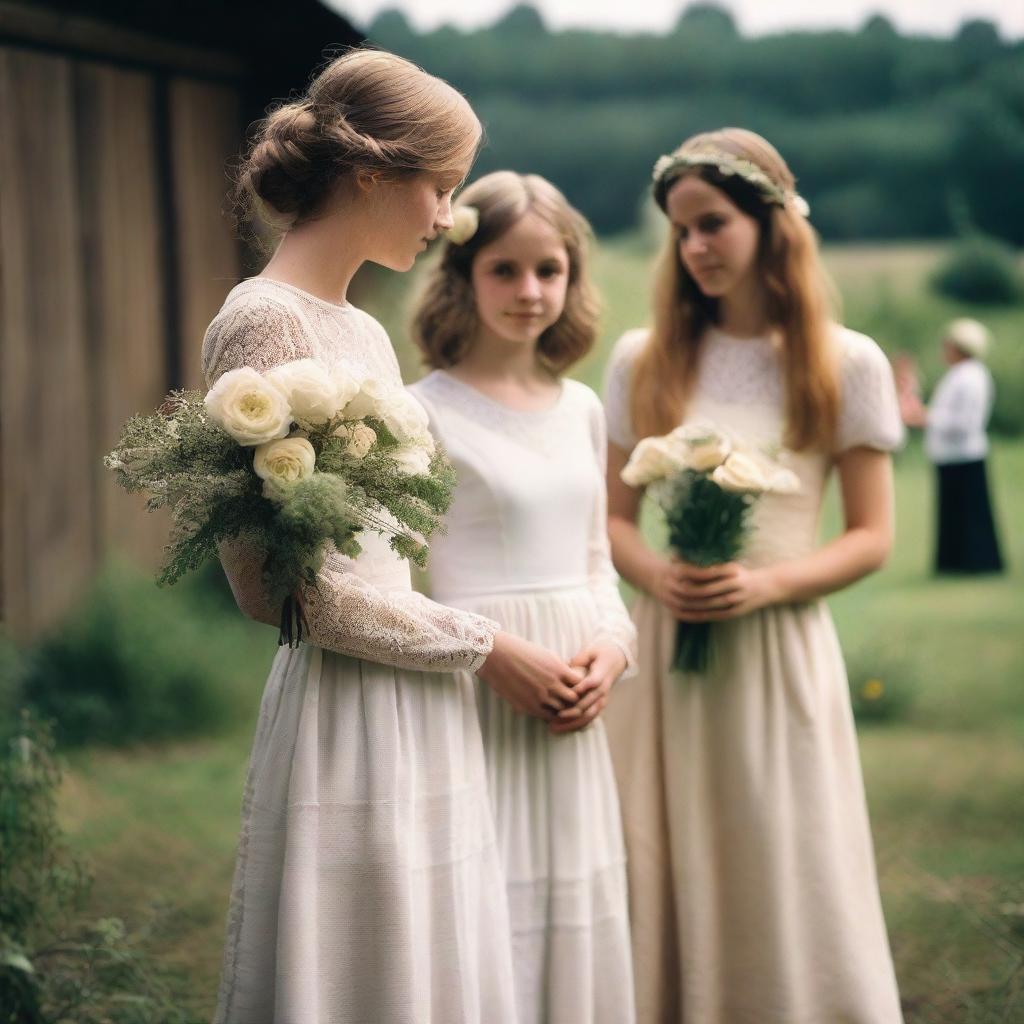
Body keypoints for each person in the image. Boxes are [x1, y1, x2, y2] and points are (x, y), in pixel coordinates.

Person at [202, 49, 586, 1024]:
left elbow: (396, 548)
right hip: (348, 708)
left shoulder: (365, 333)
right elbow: (282, 594)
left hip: (424, 697)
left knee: (436, 967)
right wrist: (482, 644)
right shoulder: (260, 325)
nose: (448, 217)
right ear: (372, 173)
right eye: (441, 187)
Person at [601, 128, 904, 1023]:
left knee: (781, 850)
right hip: (665, 652)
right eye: (681, 230)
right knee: (663, 844)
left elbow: (873, 536)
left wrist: (766, 586)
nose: (695, 246)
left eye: (713, 224)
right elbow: (611, 524)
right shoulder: (641, 359)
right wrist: (658, 575)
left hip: (779, 643)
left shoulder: (846, 362)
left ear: (773, 224)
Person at [408, 171, 637, 1024]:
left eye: (551, 270)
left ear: (573, 279)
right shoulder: (415, 413)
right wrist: (494, 655)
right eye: (505, 269)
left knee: (572, 903)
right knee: (486, 899)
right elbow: (393, 584)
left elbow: (598, 556)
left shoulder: (581, 407)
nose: (530, 291)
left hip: (577, 691)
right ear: (463, 276)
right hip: (477, 686)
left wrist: (613, 652)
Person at [897, 318, 1004, 574]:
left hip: (962, 454)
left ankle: (973, 562)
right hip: (953, 455)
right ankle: (956, 562)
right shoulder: (965, 374)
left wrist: (925, 417)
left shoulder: (968, 377)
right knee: (956, 513)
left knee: (967, 514)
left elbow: (964, 422)